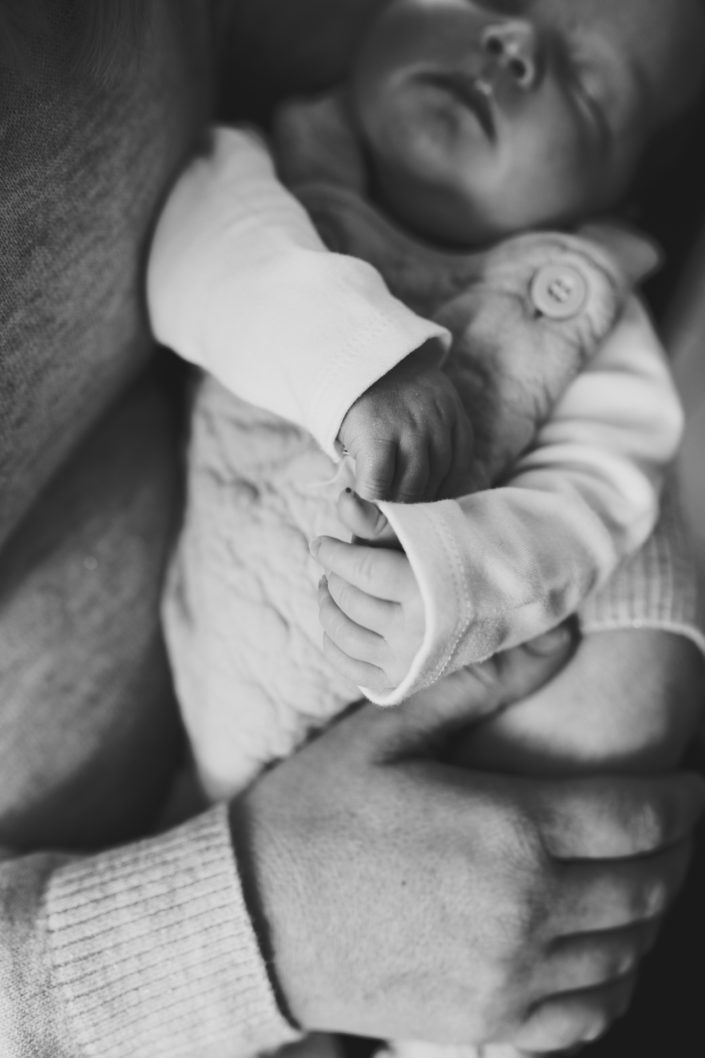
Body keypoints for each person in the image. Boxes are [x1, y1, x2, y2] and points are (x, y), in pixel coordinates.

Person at [0, 3, 703, 1058]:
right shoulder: (269, 169)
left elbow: (599, 496)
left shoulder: (593, 315)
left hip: (455, 757)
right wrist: (351, 362)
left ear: (618, 188)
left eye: (591, 87)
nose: (514, 45)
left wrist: (456, 580)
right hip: (186, 801)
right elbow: (198, 267)